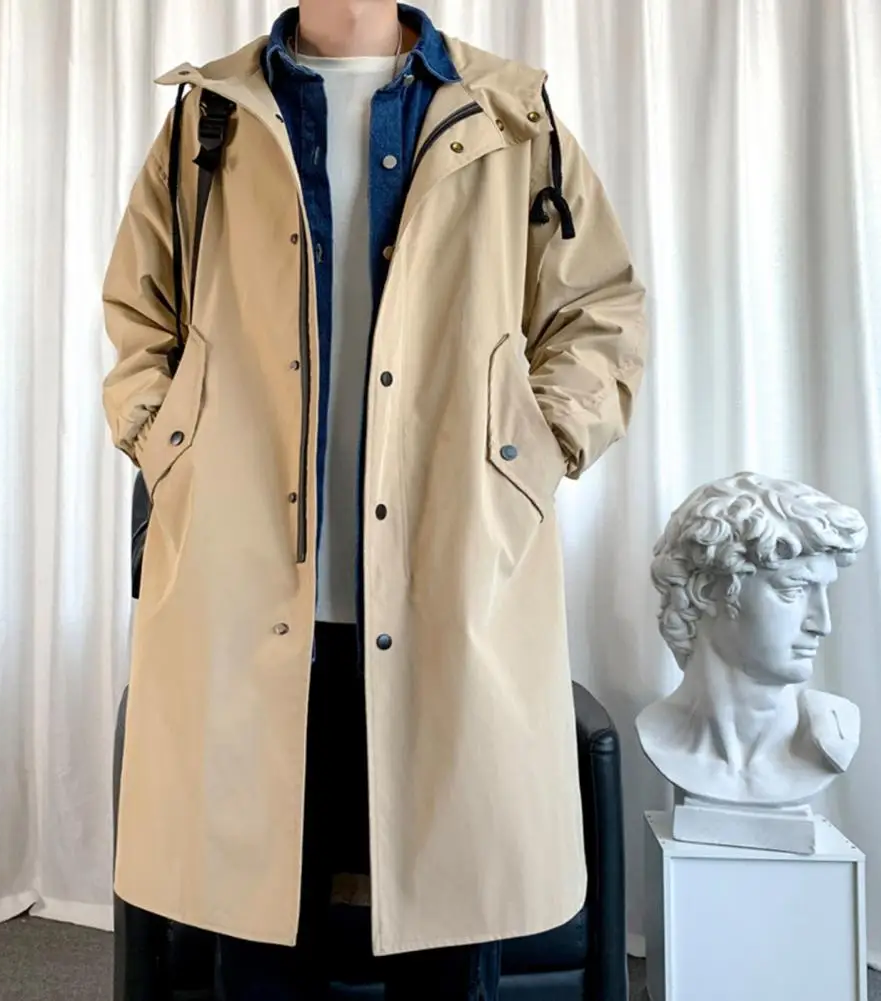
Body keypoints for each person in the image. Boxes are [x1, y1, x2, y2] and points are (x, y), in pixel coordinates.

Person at [102, 2, 647, 997]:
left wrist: (532, 451)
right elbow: (142, 315)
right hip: (248, 605)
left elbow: (595, 312)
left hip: (450, 596)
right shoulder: (209, 117)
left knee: (448, 932)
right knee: (258, 947)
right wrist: (168, 443)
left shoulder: (508, 112)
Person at [639, 472, 867, 807]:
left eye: (824, 592)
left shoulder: (831, 736)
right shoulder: (658, 735)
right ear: (708, 591)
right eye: (793, 590)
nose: (822, 624)